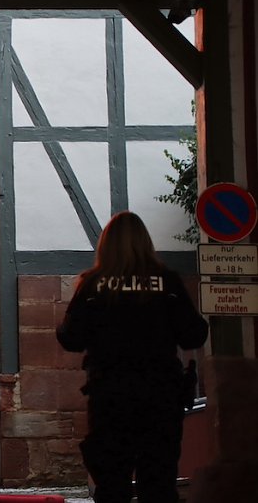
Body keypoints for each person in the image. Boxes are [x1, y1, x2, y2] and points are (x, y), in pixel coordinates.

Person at [56, 211, 208, 503]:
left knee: (112, 483)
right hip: (161, 397)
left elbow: (71, 338)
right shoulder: (167, 283)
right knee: (160, 483)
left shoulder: (93, 285)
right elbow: (194, 335)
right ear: (145, 243)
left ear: (106, 245)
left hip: (110, 397)